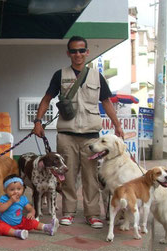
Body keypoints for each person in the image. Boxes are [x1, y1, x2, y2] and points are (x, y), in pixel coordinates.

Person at [32, 35, 124, 229]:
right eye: (73, 51)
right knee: (68, 176)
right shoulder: (60, 74)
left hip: (91, 137)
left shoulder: (97, 76)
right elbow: (47, 98)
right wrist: (38, 122)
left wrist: (117, 125)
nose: (78, 54)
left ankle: (92, 214)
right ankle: (68, 212)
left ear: (87, 52)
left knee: (91, 177)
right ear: (68, 53)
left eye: (81, 50)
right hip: (67, 134)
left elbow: (106, 101)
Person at [0, 175, 59, 240]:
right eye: (12, 189)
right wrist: (10, 201)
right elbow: (1, 209)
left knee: (31, 221)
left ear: (23, 189)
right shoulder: (3, 199)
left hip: (20, 222)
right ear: (5, 191)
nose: (16, 191)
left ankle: (47, 227)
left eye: (19, 189)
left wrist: (31, 213)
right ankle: (17, 233)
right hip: (6, 223)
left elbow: (30, 208)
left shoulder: (22, 199)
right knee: (0, 227)